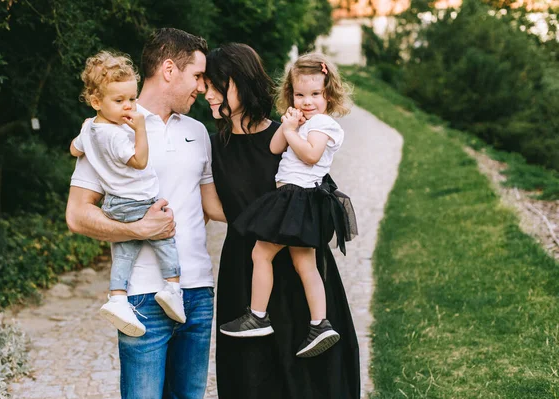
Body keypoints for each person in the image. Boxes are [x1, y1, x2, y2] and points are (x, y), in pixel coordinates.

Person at [65, 28, 224, 399]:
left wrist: (282, 199)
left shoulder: (198, 132)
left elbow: (213, 206)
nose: (201, 87)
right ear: (169, 69)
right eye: (197, 76)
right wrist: (139, 229)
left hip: (197, 293)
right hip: (141, 297)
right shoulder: (108, 130)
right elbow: (76, 215)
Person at [204, 43, 361, 399]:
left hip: (299, 270)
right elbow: (213, 208)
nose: (206, 93)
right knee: (251, 379)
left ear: (240, 83)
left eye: (215, 84)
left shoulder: (291, 134)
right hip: (245, 275)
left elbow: (317, 196)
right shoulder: (212, 145)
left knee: (310, 383)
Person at [69, 50, 186, 337]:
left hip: (114, 203)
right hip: (139, 200)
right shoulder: (117, 135)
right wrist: (140, 130)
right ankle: (172, 287)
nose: (129, 107)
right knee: (164, 239)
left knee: (125, 250)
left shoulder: (89, 127)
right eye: (119, 101)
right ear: (96, 102)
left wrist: (88, 144)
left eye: (132, 99)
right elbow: (139, 160)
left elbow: (74, 148)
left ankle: (118, 297)